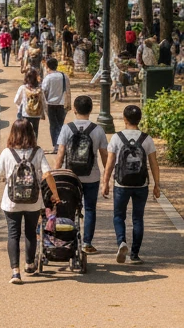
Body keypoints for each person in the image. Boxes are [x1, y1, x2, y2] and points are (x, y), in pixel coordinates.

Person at [0, 119, 60, 283]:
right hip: (33, 200)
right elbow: (47, 174)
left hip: (11, 201)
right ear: (31, 133)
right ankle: (29, 264)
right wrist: (55, 194)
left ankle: (15, 272)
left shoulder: (7, 153)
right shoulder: (37, 152)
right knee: (31, 232)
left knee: (13, 233)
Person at [102, 104, 159, 264]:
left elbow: (110, 163)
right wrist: (157, 184)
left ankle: (121, 242)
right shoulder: (146, 139)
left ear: (124, 119)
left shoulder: (116, 138)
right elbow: (154, 164)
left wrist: (105, 182)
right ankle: (135, 254)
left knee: (119, 216)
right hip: (141, 185)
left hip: (121, 184)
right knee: (138, 218)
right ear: (139, 119)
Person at [55, 94, 108, 254]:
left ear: (74, 109)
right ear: (91, 110)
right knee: (90, 209)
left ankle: (68, 241)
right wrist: (107, 177)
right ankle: (87, 243)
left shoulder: (67, 128)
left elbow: (60, 154)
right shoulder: (98, 130)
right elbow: (105, 155)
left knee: (68, 208)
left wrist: (56, 174)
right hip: (92, 176)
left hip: (70, 177)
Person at [41, 56, 71, 151]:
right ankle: (61, 144)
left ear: (47, 66)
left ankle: (57, 145)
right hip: (62, 104)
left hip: (50, 104)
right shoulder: (64, 76)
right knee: (60, 124)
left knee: (53, 125)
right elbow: (68, 90)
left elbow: (43, 91)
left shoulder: (48, 78)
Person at [13, 68, 46, 141]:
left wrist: (20, 107)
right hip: (37, 113)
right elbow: (43, 101)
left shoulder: (23, 88)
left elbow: (16, 100)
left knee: (25, 130)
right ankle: (34, 145)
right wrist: (43, 112)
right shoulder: (40, 89)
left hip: (26, 113)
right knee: (35, 130)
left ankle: (25, 144)